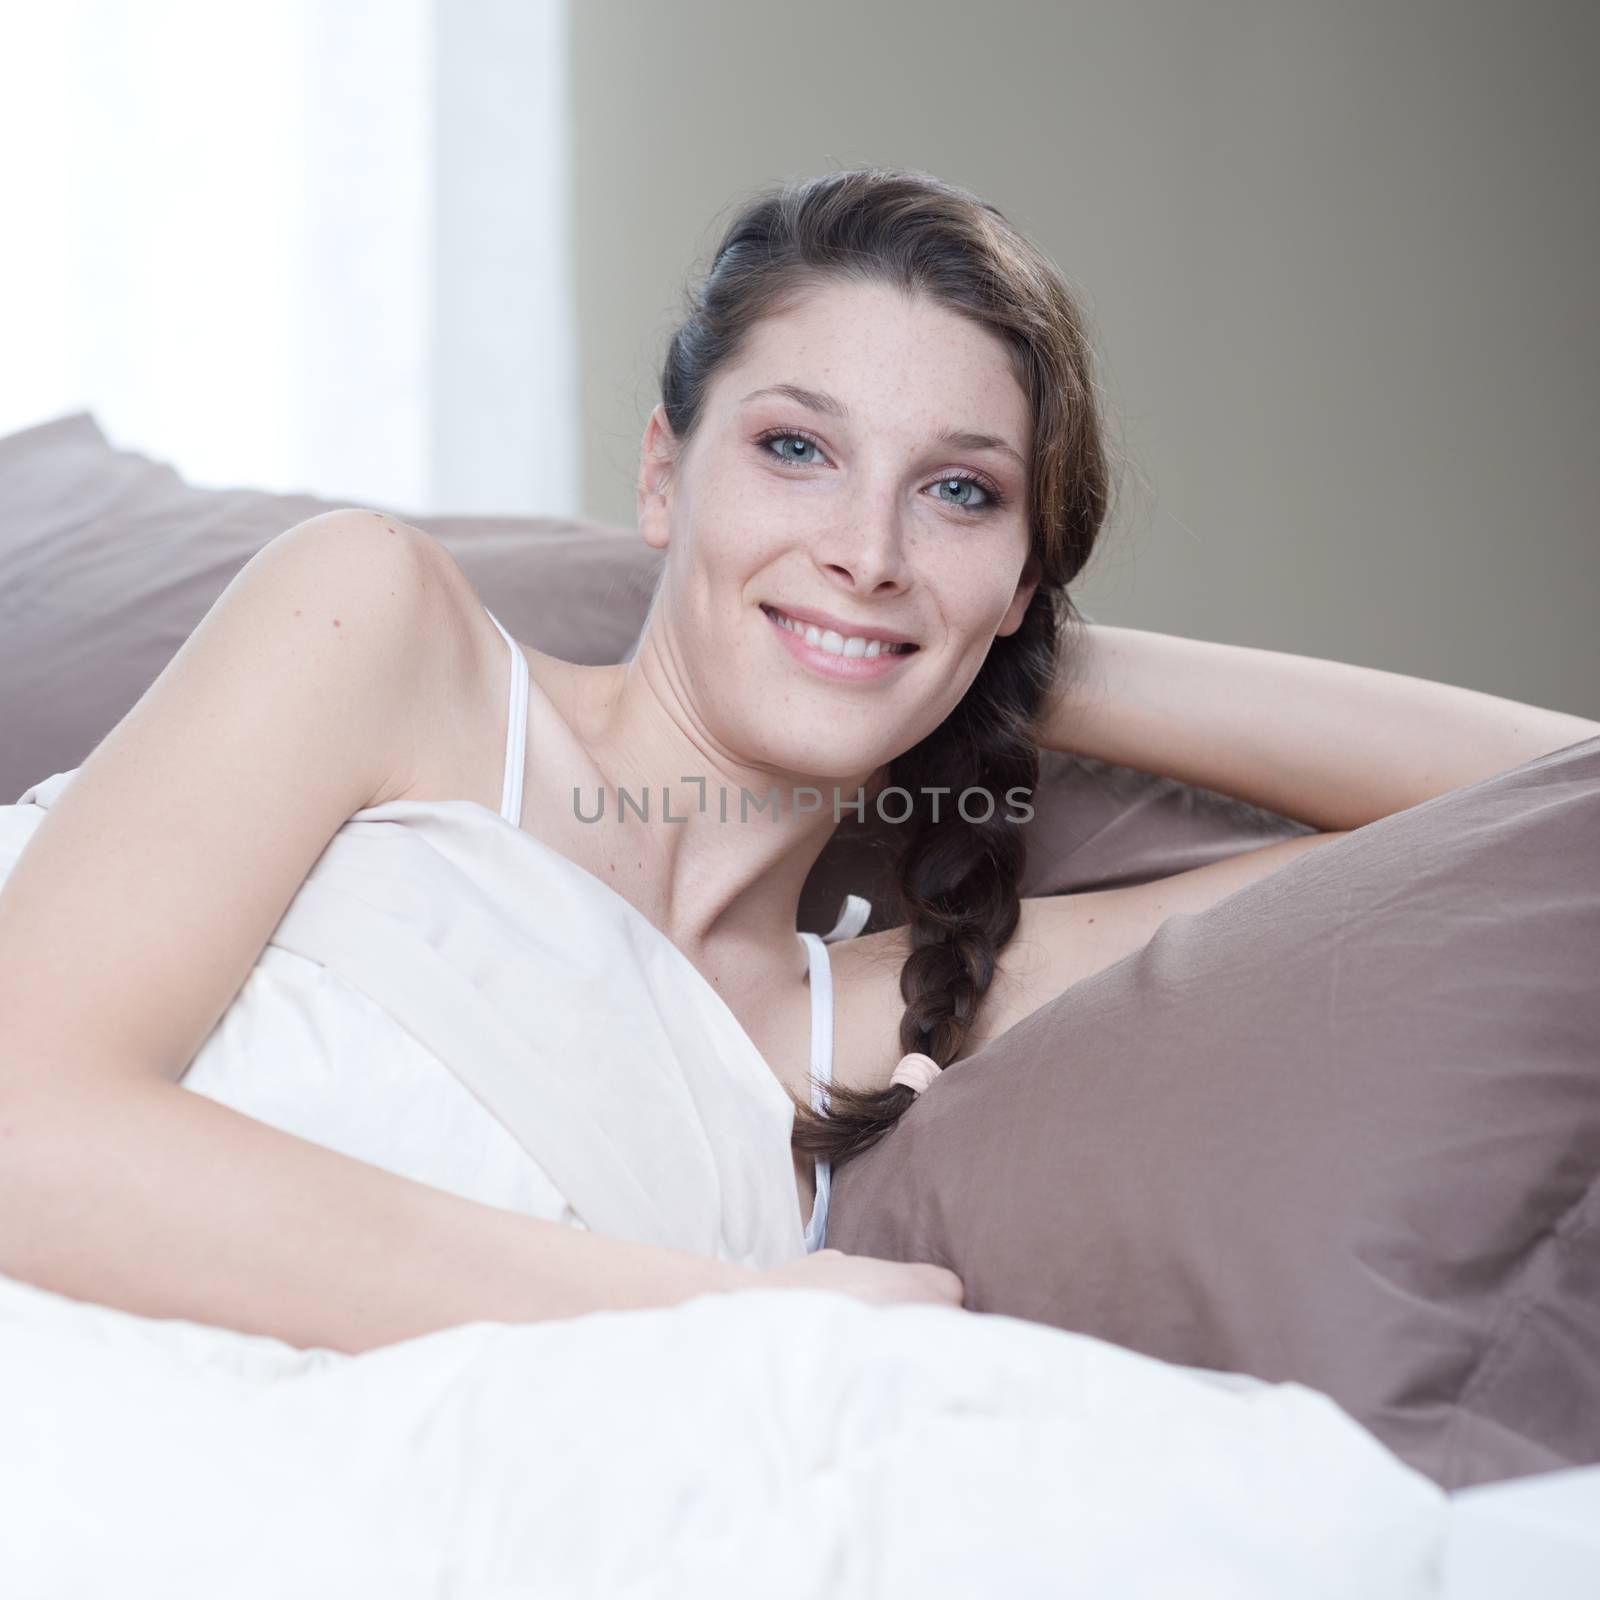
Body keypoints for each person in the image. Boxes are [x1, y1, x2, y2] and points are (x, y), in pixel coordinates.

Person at [1, 167, 1593, 1358]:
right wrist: (733, 1311)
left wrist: (1008, 651)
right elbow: (27, 1132)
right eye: (795, 450)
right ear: (660, 472)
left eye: (960, 494)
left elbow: (1546, 822)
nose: (866, 548)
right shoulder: (380, 626)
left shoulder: (876, 1022)